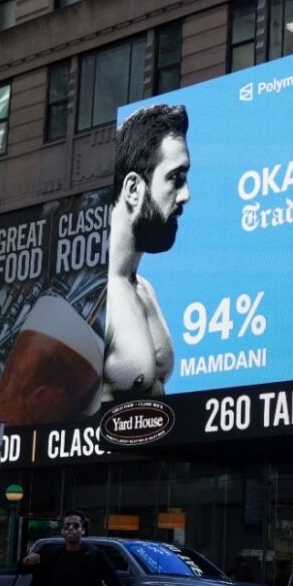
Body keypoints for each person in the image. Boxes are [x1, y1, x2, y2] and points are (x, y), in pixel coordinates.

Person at [103, 104, 191, 397]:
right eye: (175, 178)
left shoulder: (145, 290)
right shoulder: (93, 298)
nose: (186, 195)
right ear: (132, 189)